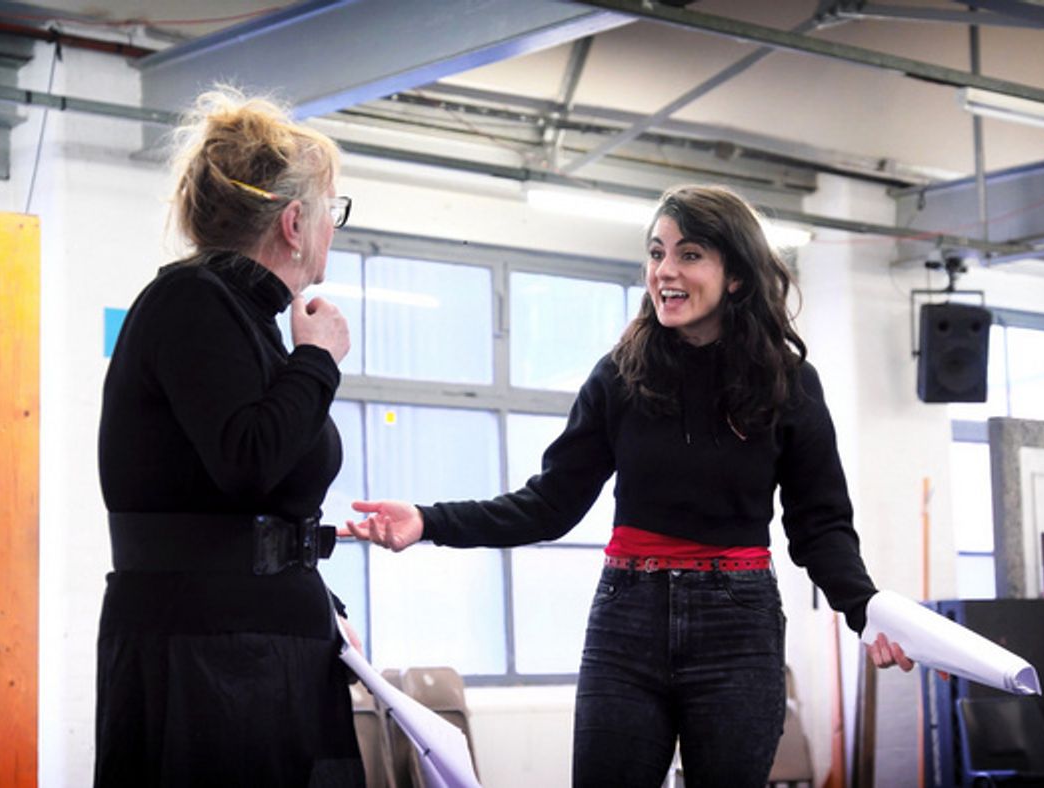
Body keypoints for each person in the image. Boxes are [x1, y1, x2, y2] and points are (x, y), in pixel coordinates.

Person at [344, 184, 913, 787]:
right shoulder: (620, 376)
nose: (665, 271)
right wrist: (429, 520)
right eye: (656, 252)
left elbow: (819, 523)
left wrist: (863, 606)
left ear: (737, 277)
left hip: (737, 625)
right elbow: (548, 505)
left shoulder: (788, 384)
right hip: (627, 622)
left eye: (689, 254)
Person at [95, 86, 364, 787]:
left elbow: (261, 509)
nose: (334, 230)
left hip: (257, 642)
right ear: (295, 222)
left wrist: (322, 606)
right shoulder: (191, 301)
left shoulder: (247, 320)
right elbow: (249, 461)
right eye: (332, 212)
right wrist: (318, 360)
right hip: (210, 661)